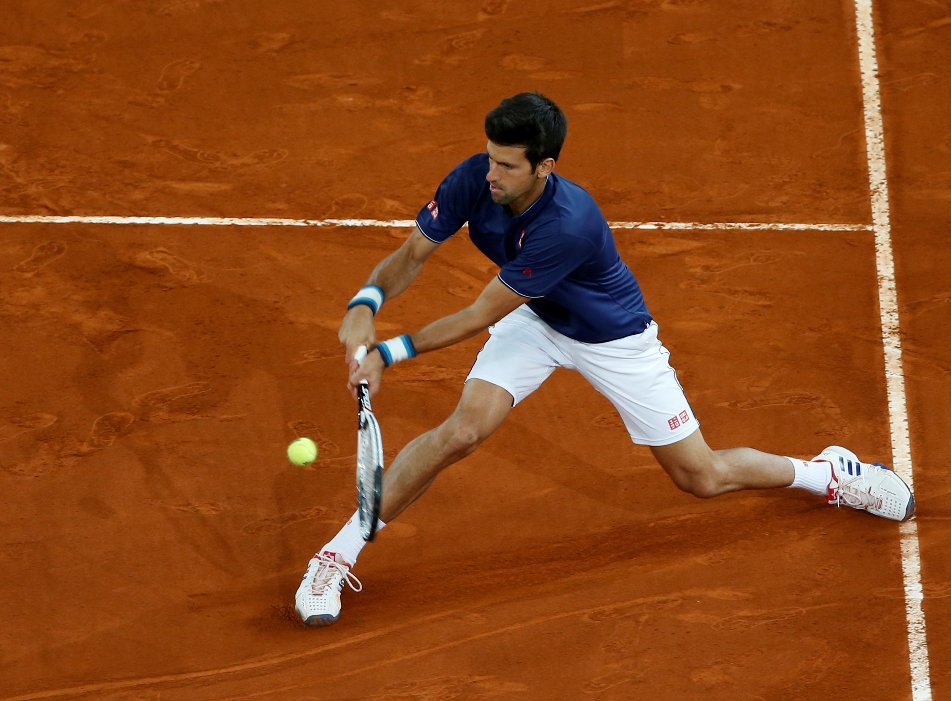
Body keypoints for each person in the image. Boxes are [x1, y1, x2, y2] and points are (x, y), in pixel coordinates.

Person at [293, 92, 915, 626]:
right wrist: (365, 300)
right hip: (536, 320)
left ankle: (831, 476)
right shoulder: (471, 179)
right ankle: (337, 554)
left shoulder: (568, 222)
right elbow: (410, 256)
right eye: (489, 157)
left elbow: (479, 314)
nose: (491, 175)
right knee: (461, 431)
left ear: (545, 166)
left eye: (507, 166)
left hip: (612, 339)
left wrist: (390, 351)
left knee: (702, 476)